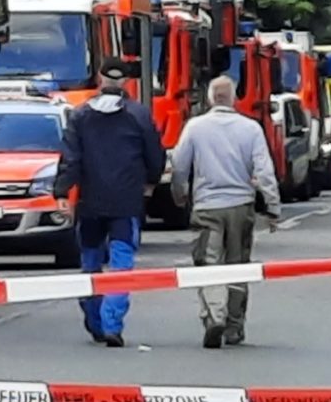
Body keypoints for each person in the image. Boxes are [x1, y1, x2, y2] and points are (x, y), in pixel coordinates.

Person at [56, 57, 167, 348]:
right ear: (125, 82)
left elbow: (70, 159)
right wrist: (151, 183)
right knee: (121, 264)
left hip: (90, 204)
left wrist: (61, 193)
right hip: (126, 204)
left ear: (100, 79)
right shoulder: (139, 115)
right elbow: (155, 155)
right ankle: (111, 323)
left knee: (90, 264)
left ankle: (94, 319)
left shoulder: (80, 116)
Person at [167, 74, 281, 348]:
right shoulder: (251, 128)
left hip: (207, 206)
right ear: (233, 99)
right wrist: (273, 206)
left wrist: (179, 193)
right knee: (238, 266)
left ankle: (214, 315)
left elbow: (180, 166)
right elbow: (264, 170)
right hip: (241, 206)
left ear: (209, 99)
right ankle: (233, 325)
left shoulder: (194, 127)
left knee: (208, 264)